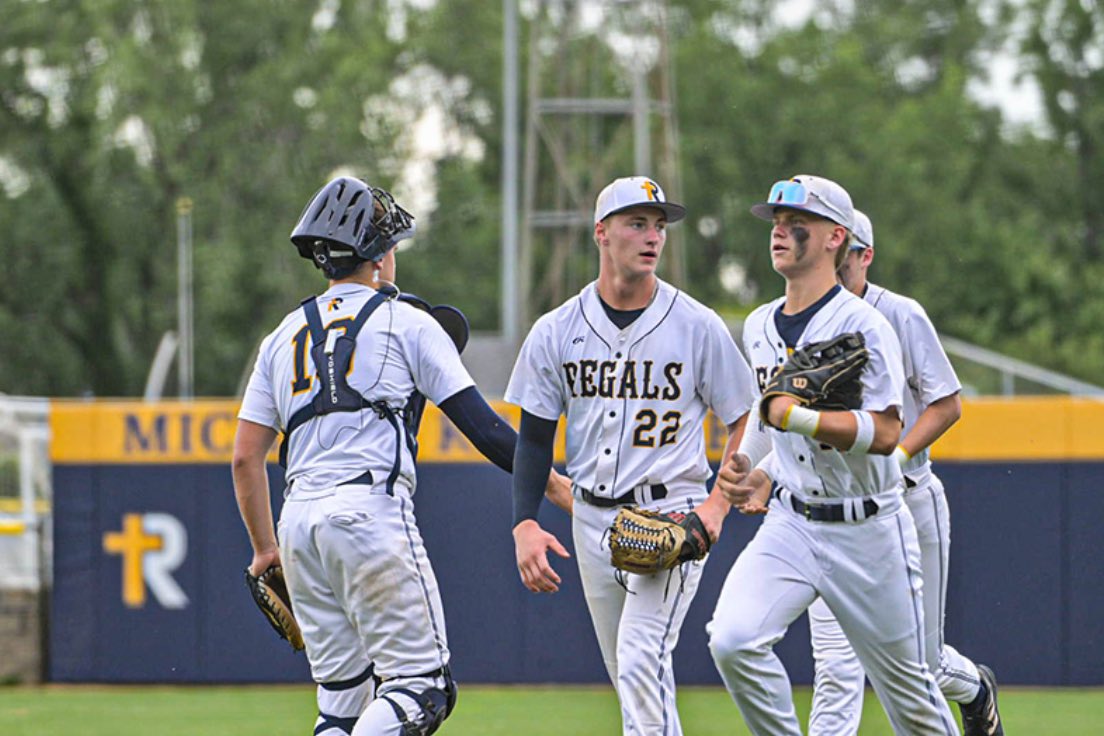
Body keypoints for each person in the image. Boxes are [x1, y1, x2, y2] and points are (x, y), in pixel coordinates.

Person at [232, 176, 571, 736]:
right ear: (380, 258)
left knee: (341, 703)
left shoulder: (281, 336)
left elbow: (246, 459)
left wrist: (266, 549)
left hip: (296, 524)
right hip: (368, 513)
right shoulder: (406, 320)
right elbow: (484, 429)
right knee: (423, 686)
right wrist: (559, 492)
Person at [707, 174, 960, 735]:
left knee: (912, 700)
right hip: (792, 521)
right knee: (733, 640)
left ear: (834, 237)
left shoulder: (865, 324)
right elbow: (765, 415)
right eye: (774, 221)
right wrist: (746, 468)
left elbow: (889, 430)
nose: (778, 231)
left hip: (869, 529)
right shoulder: (758, 325)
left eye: (796, 222)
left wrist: (798, 418)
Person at [505, 176, 756, 735]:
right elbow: (535, 438)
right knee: (631, 678)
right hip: (591, 518)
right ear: (602, 233)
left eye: (659, 225)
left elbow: (747, 417)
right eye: (637, 223)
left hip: (672, 515)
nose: (652, 236)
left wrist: (715, 508)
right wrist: (524, 520)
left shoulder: (695, 325)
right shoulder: (557, 330)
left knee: (642, 660)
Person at [806, 209, 1003, 735]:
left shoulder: (900, 314)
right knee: (837, 667)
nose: (830, 263)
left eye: (843, 254)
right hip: (830, 513)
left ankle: (977, 689)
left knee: (923, 664)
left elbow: (947, 404)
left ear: (863, 256)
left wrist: (892, 459)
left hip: (908, 498)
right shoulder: (803, 318)